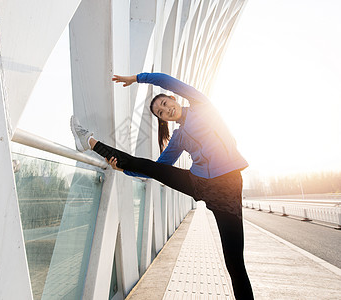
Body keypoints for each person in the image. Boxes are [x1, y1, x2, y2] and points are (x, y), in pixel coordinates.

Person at [70, 72, 254, 299]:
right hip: (198, 183)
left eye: (165, 104)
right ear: (163, 119)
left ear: (174, 99)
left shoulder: (201, 105)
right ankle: (89, 141)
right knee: (150, 167)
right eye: (160, 113)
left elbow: (167, 80)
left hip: (228, 188)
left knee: (235, 263)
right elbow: (158, 168)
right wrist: (123, 168)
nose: (166, 111)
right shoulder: (178, 138)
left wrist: (137, 78)